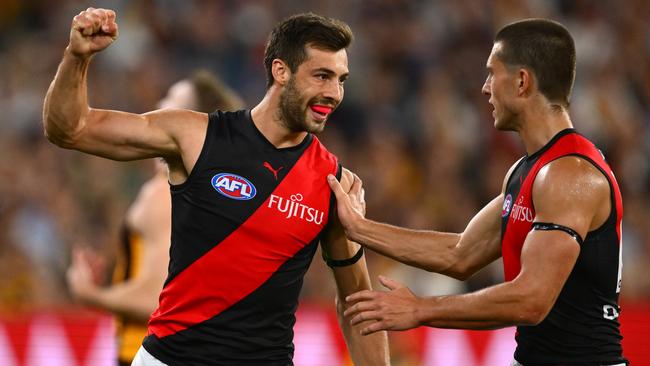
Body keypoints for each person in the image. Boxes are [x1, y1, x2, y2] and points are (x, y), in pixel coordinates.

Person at [43, 7, 389, 366]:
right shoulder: (196, 136)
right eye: (321, 76)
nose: (334, 93)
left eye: (341, 79)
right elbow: (70, 129)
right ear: (280, 70)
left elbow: (356, 302)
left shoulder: (335, 183)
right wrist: (76, 58)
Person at [328, 18, 627, 365]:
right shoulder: (528, 170)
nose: (485, 88)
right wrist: (359, 228)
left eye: (491, 73)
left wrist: (421, 309)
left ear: (521, 81)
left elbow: (531, 300)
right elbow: (460, 253)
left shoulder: (569, 174)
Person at [65, 70, 244, 366]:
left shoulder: (163, 195)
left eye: (171, 103)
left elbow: (156, 300)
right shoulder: (213, 195)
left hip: (150, 352)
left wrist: (91, 294)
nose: (159, 107)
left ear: (192, 121)